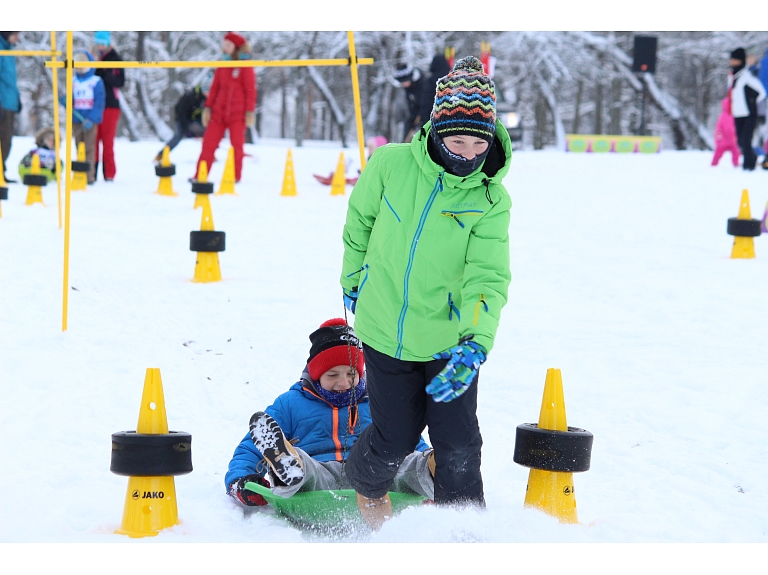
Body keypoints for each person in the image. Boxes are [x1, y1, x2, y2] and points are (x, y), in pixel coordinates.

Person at [339, 56, 512, 526]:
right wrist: (353, 276)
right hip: (383, 328)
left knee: (458, 441)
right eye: (458, 139)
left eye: (479, 142)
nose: (468, 152)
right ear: (436, 130)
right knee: (395, 437)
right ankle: (368, 486)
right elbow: (361, 222)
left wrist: (475, 343)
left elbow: (487, 275)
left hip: (449, 341)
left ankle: (464, 534)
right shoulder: (391, 164)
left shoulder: (490, 199)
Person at [225, 318, 435, 529]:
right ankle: (287, 464)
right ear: (316, 374)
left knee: (407, 464)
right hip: (320, 479)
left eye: (351, 374)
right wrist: (241, 478)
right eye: (332, 375)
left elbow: (409, 441)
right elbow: (250, 447)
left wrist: (421, 459)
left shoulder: (378, 401)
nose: (343, 382)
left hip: (376, 479)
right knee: (304, 467)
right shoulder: (291, 404)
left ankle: (435, 470)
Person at [193, 32, 256, 183]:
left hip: (237, 115)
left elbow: (250, 90)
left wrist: (249, 112)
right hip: (218, 114)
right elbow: (215, 88)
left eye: (229, 45)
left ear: (237, 47)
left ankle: (235, 177)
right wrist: (208, 108)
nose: (226, 48)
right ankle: (200, 176)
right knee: (208, 145)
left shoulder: (245, 66)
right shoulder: (222, 64)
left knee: (237, 147)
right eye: (225, 45)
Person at [60, 51, 105, 185]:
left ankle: (89, 176)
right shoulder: (73, 81)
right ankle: (79, 173)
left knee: (89, 148)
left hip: (89, 121)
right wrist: (64, 100)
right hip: (76, 120)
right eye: (77, 66)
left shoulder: (96, 81)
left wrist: (92, 119)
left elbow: (99, 102)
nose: (79, 69)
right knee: (78, 146)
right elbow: (71, 101)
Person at [154, 73, 212, 162]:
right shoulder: (191, 96)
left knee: (208, 134)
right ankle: (161, 155)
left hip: (194, 121)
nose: (209, 94)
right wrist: (186, 129)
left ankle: (210, 155)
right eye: (207, 91)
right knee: (177, 137)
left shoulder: (208, 99)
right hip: (181, 120)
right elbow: (181, 113)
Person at [92, 31, 124, 182]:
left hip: (110, 105)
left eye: (103, 43)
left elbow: (120, 81)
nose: (100, 46)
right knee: (93, 140)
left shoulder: (115, 59)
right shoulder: (90, 57)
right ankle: (92, 172)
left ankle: (109, 174)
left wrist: (103, 71)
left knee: (107, 141)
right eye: (98, 43)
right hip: (94, 104)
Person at [728, 48, 766, 171]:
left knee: (746, 140)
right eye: (732, 59)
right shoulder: (731, 75)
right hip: (737, 113)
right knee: (739, 141)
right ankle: (752, 157)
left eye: (735, 59)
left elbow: (762, 91)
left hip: (749, 113)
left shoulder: (746, 75)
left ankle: (748, 165)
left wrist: (752, 101)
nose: (733, 61)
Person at [0, 31, 21, 183]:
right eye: (15, 34)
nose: (17, 38)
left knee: (7, 139)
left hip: (9, 102)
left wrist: (17, 98)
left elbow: (10, 79)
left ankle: (1, 170)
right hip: (2, 101)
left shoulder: (9, 50)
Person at [393, 62, 424, 142]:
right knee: (408, 124)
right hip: (415, 113)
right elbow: (411, 104)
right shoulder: (407, 88)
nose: (403, 84)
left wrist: (420, 114)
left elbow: (425, 101)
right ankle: (404, 144)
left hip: (426, 112)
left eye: (405, 81)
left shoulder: (423, 83)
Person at [711, 97, 740, 167]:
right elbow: (720, 129)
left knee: (736, 153)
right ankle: (713, 165)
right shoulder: (724, 116)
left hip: (732, 141)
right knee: (718, 153)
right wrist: (718, 139)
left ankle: (736, 165)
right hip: (724, 140)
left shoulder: (734, 115)